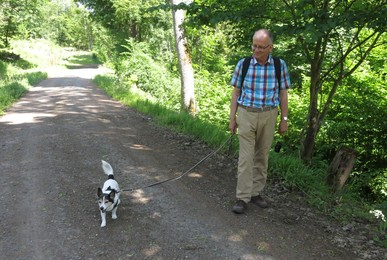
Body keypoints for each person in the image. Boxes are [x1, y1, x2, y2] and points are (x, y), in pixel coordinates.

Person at [229, 29, 291, 214]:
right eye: (254, 46)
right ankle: (242, 197)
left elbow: (283, 94)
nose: (256, 50)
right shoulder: (244, 64)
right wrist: (232, 118)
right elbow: (236, 92)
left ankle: (256, 193)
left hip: (269, 115)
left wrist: (285, 119)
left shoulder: (280, 65)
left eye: (260, 47)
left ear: (270, 47)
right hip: (246, 114)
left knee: (262, 155)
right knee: (246, 158)